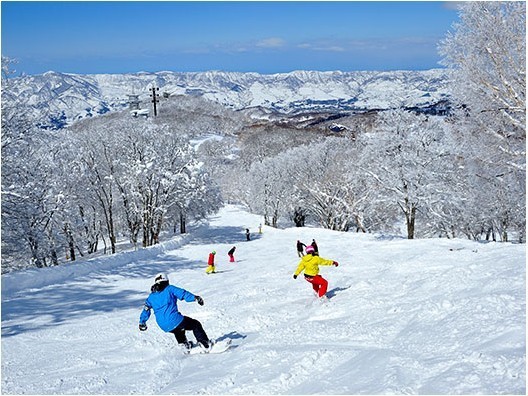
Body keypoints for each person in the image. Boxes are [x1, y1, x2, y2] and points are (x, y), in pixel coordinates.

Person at [139, 273, 212, 352]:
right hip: (174, 319)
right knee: (195, 324)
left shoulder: (151, 297)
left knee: (178, 329)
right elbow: (183, 293)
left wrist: (142, 322)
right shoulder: (169, 288)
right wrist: (195, 298)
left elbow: (146, 309)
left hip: (163, 325)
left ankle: (185, 346)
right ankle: (205, 344)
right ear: (166, 280)